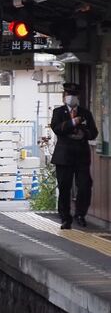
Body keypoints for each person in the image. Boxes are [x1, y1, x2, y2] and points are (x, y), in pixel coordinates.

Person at [50, 82, 98, 229]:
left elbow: (93, 133)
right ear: (65, 95)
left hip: (81, 156)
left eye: (74, 95)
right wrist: (73, 122)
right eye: (69, 94)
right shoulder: (58, 112)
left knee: (84, 186)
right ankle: (65, 218)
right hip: (63, 157)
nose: (71, 97)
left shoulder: (85, 113)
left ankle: (80, 214)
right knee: (64, 187)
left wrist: (83, 132)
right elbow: (57, 128)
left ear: (79, 97)